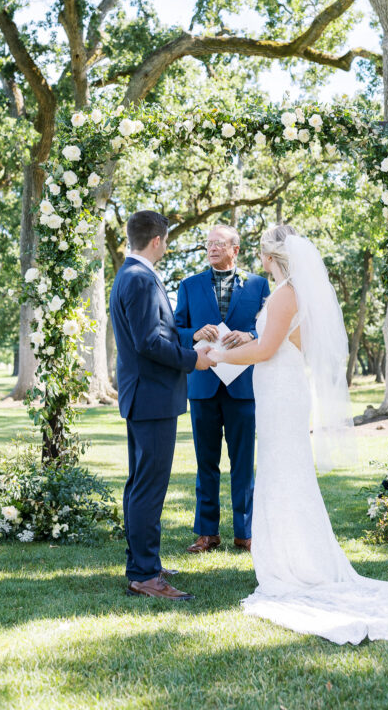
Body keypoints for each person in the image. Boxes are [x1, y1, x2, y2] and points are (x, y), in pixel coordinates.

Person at [205, 224, 388, 643]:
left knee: (284, 473)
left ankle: (293, 562)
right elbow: (290, 341)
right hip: (281, 391)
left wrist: (218, 354)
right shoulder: (292, 292)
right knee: (284, 472)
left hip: (282, 396)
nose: (260, 259)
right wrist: (251, 337)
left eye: (262, 253)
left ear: (270, 257)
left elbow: (268, 351)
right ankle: (294, 552)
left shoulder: (285, 292)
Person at [109, 210, 211, 601]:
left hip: (147, 397)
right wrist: (193, 360)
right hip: (151, 398)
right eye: (165, 240)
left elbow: (155, 332)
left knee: (141, 484)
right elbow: (148, 344)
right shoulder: (138, 278)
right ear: (156, 240)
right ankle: (145, 574)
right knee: (148, 487)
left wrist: (188, 340)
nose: (166, 246)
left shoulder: (131, 274)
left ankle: (142, 562)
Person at [174, 225, 269, 553]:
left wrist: (251, 336)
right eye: (208, 244)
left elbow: (269, 326)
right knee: (206, 462)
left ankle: (245, 533)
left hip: (243, 385)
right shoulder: (188, 285)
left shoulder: (259, 285)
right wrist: (194, 334)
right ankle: (206, 533)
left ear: (236, 249)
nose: (212, 248)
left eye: (219, 244)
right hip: (203, 386)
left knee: (244, 461)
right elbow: (176, 329)